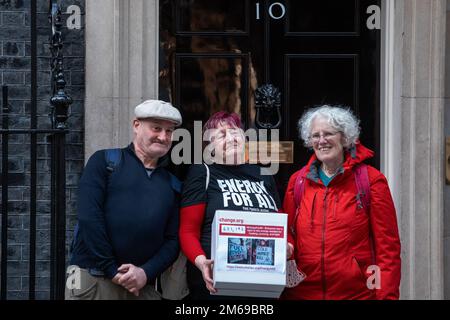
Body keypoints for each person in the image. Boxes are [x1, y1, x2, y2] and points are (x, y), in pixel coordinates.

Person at [281, 105, 401, 300]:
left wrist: (387, 297)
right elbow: (286, 231)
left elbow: (388, 249)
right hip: (303, 293)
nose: (321, 141)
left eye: (328, 134)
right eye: (315, 136)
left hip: (356, 294)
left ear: (345, 138)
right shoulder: (298, 181)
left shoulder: (371, 180)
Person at [66, 100, 182, 300]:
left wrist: (145, 272)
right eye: (156, 128)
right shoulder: (104, 162)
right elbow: (89, 218)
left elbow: (172, 241)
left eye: (169, 131)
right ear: (136, 125)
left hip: (140, 288)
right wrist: (112, 270)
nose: (163, 137)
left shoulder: (172, 184)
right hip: (91, 281)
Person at [179, 111, 283, 299]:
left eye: (235, 132)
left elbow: (281, 222)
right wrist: (202, 262)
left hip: (262, 283)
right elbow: (187, 231)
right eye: (221, 135)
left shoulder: (263, 173)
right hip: (215, 284)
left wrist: (288, 248)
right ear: (210, 146)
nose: (231, 138)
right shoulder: (202, 172)